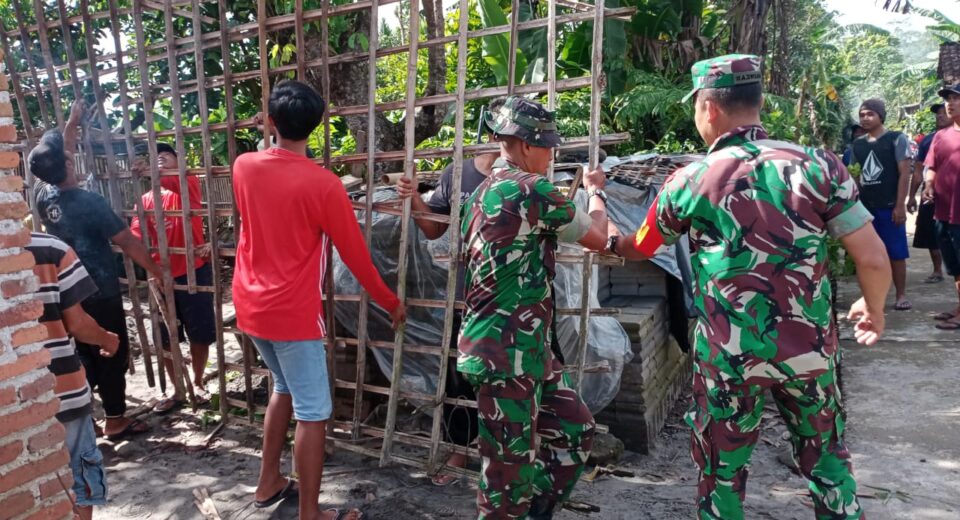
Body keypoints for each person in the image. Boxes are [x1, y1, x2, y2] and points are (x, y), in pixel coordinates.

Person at [611, 54, 891, 519]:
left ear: (709, 108)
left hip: (728, 358)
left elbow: (641, 246)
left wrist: (606, 226)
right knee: (827, 463)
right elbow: (873, 258)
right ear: (757, 102)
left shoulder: (691, 180)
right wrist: (874, 307)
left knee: (721, 474)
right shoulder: (818, 166)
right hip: (809, 351)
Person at [232, 80, 406, 520]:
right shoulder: (324, 186)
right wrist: (390, 301)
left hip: (250, 306)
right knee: (314, 412)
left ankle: (268, 481)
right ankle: (311, 514)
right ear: (319, 125)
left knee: (283, 389)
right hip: (291, 313)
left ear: (270, 121)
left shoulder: (243, 166)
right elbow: (356, 256)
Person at [458, 96, 614, 519]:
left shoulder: (483, 191)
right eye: (549, 146)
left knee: (575, 430)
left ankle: (531, 512)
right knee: (506, 474)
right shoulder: (529, 189)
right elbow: (598, 237)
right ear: (526, 145)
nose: (552, 155)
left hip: (526, 350)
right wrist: (596, 193)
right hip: (504, 354)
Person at [28, 99, 163, 441]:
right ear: (68, 166)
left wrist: (73, 123)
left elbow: (63, 153)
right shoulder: (91, 203)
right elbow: (129, 243)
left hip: (65, 290)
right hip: (98, 289)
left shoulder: (45, 195)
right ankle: (116, 419)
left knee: (82, 351)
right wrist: (156, 272)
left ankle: (78, 415)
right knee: (112, 348)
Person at [394, 98, 506, 486]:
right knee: (460, 377)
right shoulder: (458, 175)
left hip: (519, 301)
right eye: (499, 131)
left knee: (525, 377)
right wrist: (413, 196)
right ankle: (460, 449)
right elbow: (432, 228)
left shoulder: (527, 174)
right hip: (467, 295)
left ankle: (518, 454)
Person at [27, 232, 120, 520]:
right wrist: (107, 339)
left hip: (16, 400)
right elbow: (78, 323)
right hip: (62, 387)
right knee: (78, 478)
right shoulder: (50, 249)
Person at [130, 142, 216, 413]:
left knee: (200, 333)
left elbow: (175, 179)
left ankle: (198, 382)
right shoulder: (144, 201)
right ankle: (179, 388)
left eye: (165, 157)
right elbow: (136, 236)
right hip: (161, 278)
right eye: (154, 159)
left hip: (194, 270)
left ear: (179, 162)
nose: (159, 162)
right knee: (165, 338)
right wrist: (151, 270)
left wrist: (152, 172)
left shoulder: (187, 183)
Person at [851, 98, 913, 310]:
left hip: (889, 207)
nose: (865, 118)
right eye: (862, 115)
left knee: (896, 254)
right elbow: (855, 177)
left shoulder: (896, 139)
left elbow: (904, 174)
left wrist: (900, 205)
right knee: (867, 255)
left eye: (870, 114)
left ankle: (901, 294)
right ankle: (871, 298)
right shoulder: (857, 145)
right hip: (866, 209)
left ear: (880, 116)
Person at [923, 84, 960, 331]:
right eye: (948, 98)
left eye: (956, 98)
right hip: (943, 211)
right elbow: (932, 166)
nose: (950, 102)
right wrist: (928, 185)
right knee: (955, 265)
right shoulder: (941, 135)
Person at [909, 103, 951, 283]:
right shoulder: (927, 141)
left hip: (953, 194)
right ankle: (937, 270)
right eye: (937, 114)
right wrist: (911, 196)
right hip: (932, 193)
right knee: (931, 232)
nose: (940, 116)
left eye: (943, 113)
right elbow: (918, 171)